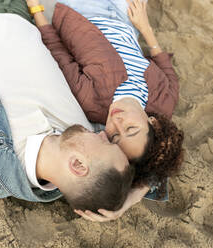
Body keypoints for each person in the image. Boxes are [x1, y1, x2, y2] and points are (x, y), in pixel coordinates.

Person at [0, 0, 134, 212]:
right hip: (8, 6)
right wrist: (124, 200)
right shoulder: (80, 130)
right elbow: (153, 150)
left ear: (78, 165)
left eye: (106, 143)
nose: (105, 134)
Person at [26, 0, 184, 221]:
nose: (117, 122)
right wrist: (144, 27)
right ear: (153, 122)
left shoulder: (92, 101)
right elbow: (167, 71)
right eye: (131, 128)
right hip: (126, 17)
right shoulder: (162, 104)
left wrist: (36, 9)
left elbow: (56, 50)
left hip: (81, 11)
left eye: (114, 135)